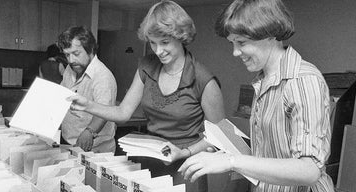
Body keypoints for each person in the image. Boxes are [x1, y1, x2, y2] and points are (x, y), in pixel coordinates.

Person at [67, 1, 225, 191]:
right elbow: (123, 112)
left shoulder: (203, 80)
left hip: (186, 167)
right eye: (152, 43)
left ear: (181, 37)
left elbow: (219, 138)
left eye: (165, 43)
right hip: (149, 159)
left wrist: (184, 152)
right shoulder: (147, 66)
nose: (158, 51)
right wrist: (87, 105)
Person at [178, 0, 335, 191]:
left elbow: (309, 170)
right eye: (232, 43)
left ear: (269, 35)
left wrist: (232, 161)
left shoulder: (301, 80)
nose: (235, 52)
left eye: (241, 43)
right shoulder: (265, 79)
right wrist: (229, 153)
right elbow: (274, 153)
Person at [58, 26, 118, 153]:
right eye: (67, 55)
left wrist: (89, 131)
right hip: (70, 143)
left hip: (97, 149)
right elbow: (62, 96)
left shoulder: (102, 76)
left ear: (90, 50)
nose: (71, 60)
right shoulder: (70, 69)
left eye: (76, 53)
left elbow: (104, 111)